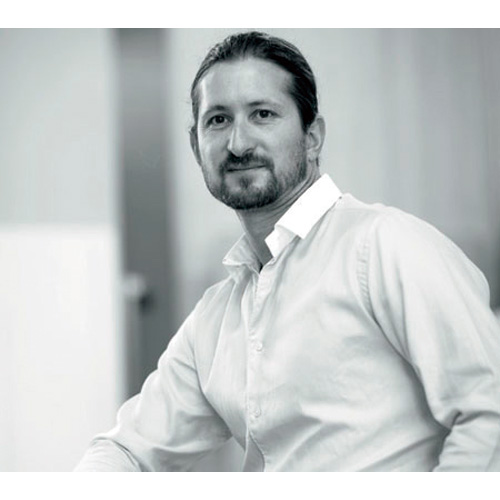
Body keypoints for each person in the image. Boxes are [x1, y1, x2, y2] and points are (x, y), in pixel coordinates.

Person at [75, 31, 500, 472]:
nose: (238, 144)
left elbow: (489, 411)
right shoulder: (216, 319)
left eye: (262, 114)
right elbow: (126, 449)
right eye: (218, 120)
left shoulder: (385, 246)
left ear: (312, 137)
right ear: (196, 146)